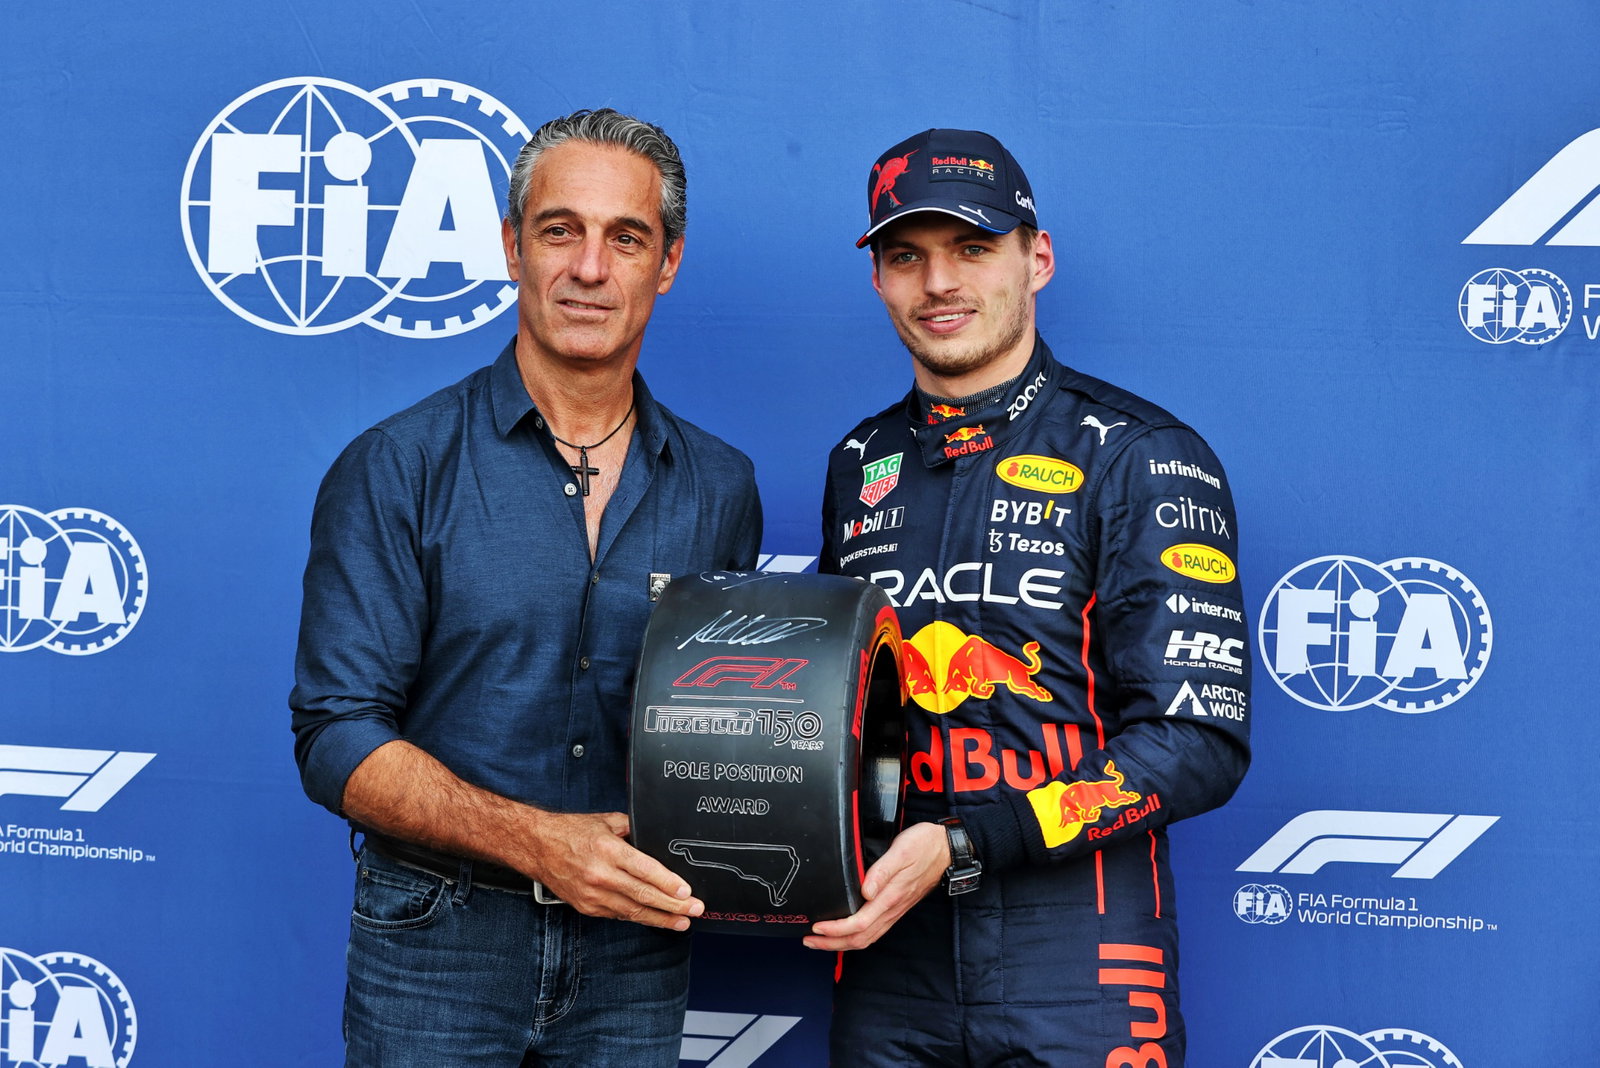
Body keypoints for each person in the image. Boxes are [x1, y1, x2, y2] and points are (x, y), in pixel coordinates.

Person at [289, 108, 762, 1067]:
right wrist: (539, 842)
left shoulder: (720, 485)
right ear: (513, 247)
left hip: (638, 945)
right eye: (561, 231)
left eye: (625, 238)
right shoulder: (397, 465)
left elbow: (724, 732)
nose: (590, 268)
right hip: (435, 935)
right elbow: (334, 736)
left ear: (665, 263)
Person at [808, 127, 1250, 1066]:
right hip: (892, 943)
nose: (939, 284)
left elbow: (1200, 743)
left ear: (1035, 258)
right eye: (906, 258)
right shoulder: (860, 463)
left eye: (972, 248)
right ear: (879, 280)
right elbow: (836, 714)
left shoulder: (1139, 455)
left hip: (1081, 946)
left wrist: (972, 842)